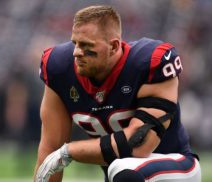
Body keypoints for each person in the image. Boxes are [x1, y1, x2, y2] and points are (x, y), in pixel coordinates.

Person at [34, 5, 201, 182]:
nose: (76, 53)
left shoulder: (148, 63)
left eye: (86, 45)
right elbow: (50, 152)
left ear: (113, 46)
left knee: (122, 169)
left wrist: (69, 151)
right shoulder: (59, 69)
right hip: (121, 175)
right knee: (120, 170)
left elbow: (139, 143)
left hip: (175, 167)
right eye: (75, 43)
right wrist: (58, 155)